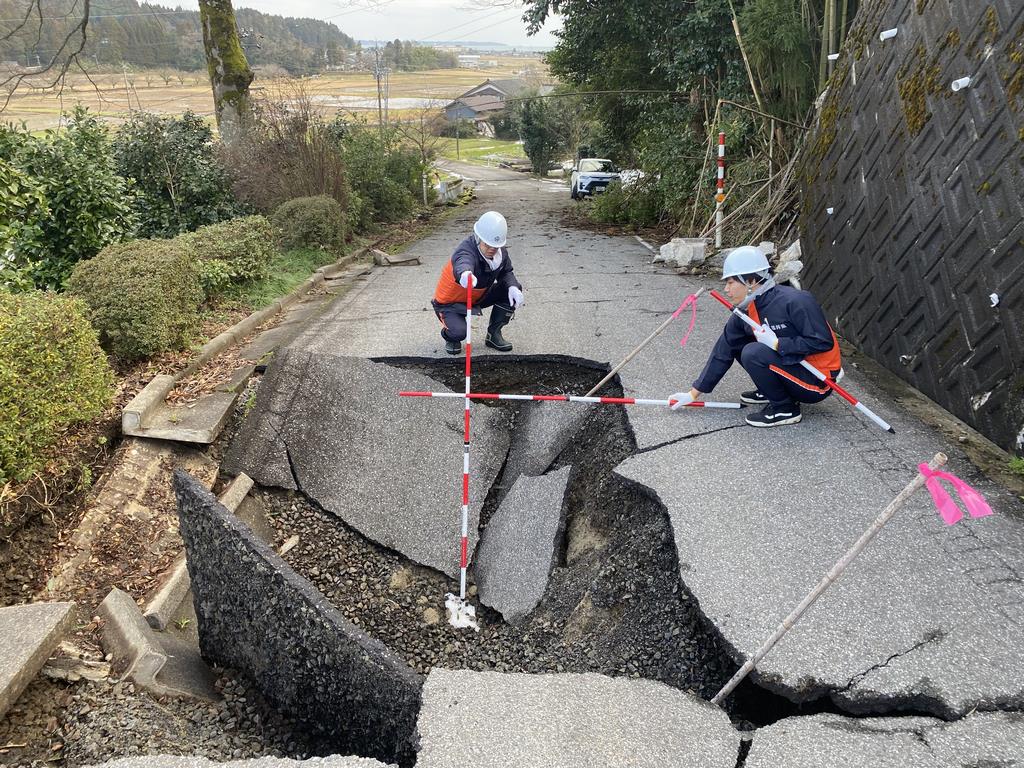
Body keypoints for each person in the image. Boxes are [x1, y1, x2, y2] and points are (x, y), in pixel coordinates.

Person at [669, 246, 842, 427]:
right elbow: (724, 349)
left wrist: (778, 343)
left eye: (730, 282)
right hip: (795, 368)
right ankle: (772, 390)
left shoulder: (796, 301)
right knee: (739, 344)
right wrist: (693, 394)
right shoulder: (746, 311)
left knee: (754, 352)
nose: (726, 289)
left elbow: (822, 341)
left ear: (751, 281)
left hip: (817, 380)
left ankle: (785, 408)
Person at [432, 210, 524, 355]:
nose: (492, 250)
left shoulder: (500, 252)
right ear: (478, 237)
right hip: (450, 303)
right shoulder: (466, 249)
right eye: (488, 245)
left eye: (496, 246)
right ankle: (451, 337)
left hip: (476, 296)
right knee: (459, 332)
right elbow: (463, 261)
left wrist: (512, 286)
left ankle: (493, 334)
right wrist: (465, 273)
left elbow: (506, 272)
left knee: (511, 288)